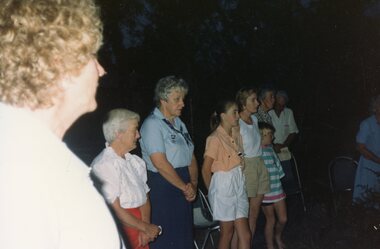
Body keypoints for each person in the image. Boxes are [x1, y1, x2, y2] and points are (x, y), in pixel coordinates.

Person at [0, 1, 122, 248]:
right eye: (91, 56)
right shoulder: (22, 171)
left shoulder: (36, 153)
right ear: (59, 63)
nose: (101, 70)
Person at [139, 76, 198, 249]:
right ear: (163, 100)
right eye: (177, 99)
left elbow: (191, 156)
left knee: (184, 236)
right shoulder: (152, 124)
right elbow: (160, 163)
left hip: (184, 185)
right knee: (168, 238)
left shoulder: (179, 123)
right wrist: (184, 187)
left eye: (183, 99)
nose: (183, 104)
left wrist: (193, 184)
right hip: (164, 186)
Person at [91, 109, 161, 249]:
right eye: (134, 130)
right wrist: (145, 227)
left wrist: (144, 227)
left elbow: (145, 197)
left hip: (139, 225)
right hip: (121, 229)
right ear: (118, 134)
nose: (138, 135)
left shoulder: (135, 162)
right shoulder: (104, 165)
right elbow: (115, 208)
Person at [202, 99, 251, 249]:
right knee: (227, 232)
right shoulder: (215, 138)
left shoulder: (235, 136)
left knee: (245, 234)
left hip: (238, 182)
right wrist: (213, 193)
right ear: (223, 116)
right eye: (234, 112)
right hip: (223, 184)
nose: (238, 115)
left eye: (238, 111)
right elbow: (205, 169)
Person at [235, 87, 270, 242]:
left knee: (254, 213)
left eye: (257, 99)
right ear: (243, 104)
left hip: (259, 164)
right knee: (242, 215)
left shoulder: (255, 119)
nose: (257, 102)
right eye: (253, 100)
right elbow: (236, 150)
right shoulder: (237, 123)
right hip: (246, 166)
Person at [258, 122, 287, 249]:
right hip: (265, 193)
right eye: (270, 134)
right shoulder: (256, 152)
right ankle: (271, 246)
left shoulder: (271, 149)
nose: (272, 137)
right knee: (271, 220)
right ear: (260, 136)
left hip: (277, 190)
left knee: (283, 219)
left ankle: (278, 236)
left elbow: (278, 168)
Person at [353, 95, 380, 207]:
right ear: (376, 107)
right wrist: (378, 160)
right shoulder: (367, 124)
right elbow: (360, 147)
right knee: (367, 201)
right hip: (369, 167)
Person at [268, 90, 299, 190]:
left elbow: (293, 131)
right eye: (278, 105)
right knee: (274, 181)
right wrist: (273, 145)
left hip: (284, 151)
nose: (280, 108)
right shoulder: (268, 113)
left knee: (288, 179)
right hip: (270, 151)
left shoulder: (288, 112)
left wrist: (283, 145)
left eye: (283, 105)